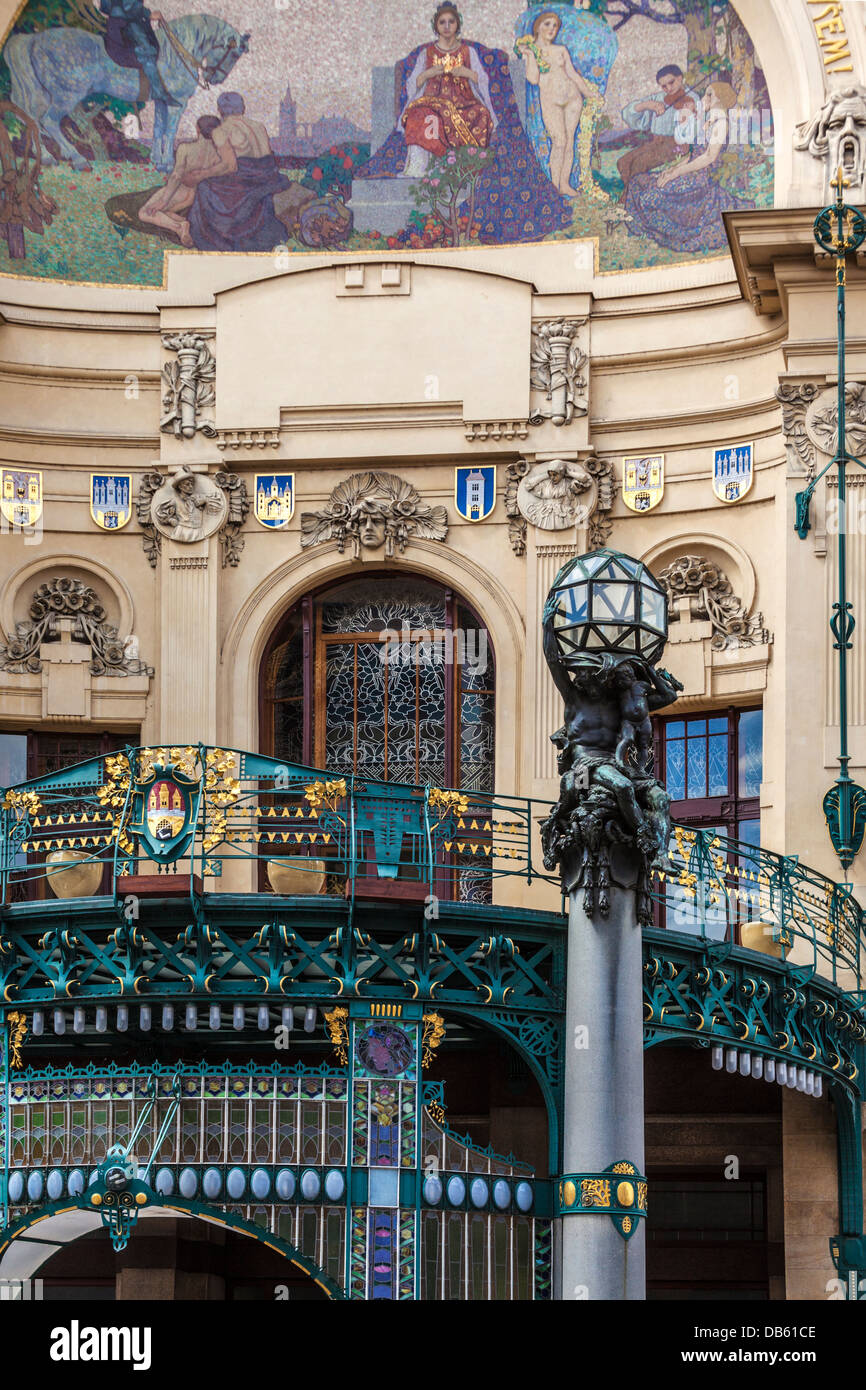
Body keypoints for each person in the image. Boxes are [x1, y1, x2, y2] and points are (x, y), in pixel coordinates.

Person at [624, 80, 754, 254]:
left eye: (710, 95)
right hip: (689, 170)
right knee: (638, 181)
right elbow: (693, 154)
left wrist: (676, 173)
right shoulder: (709, 122)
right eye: (706, 94)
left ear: (721, 99)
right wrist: (671, 170)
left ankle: (677, 234)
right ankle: (648, 228)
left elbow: (708, 157)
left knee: (650, 198)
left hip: (700, 178)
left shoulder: (722, 124)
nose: (704, 98)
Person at [399, 1, 496, 177]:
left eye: (451, 21)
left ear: (457, 24)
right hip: (431, 99)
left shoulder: (467, 51)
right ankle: (426, 167)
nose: (447, 26)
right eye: (442, 22)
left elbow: (482, 79)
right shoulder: (427, 53)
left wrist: (467, 72)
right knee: (419, 115)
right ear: (436, 26)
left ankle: (466, 167)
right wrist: (429, 73)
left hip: (464, 100)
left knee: (481, 113)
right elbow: (413, 82)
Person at [184, 92, 290, 252]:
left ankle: (211, 238)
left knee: (204, 187)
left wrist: (201, 174)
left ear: (220, 110)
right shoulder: (259, 126)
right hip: (267, 177)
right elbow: (266, 159)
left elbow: (230, 166)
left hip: (246, 181)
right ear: (243, 108)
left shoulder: (221, 130)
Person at [515, 11, 593, 197]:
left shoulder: (561, 50)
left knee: (569, 142)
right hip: (551, 101)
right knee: (558, 142)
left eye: (555, 25)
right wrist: (530, 55)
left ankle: (564, 184)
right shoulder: (529, 50)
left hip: (573, 98)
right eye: (547, 24)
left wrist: (589, 94)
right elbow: (533, 79)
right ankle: (553, 186)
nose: (551, 29)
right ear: (538, 27)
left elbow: (573, 74)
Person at [139, 115, 222, 245]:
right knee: (164, 212)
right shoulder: (219, 153)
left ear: (197, 129)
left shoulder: (186, 148)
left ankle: (179, 227)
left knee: (144, 212)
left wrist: (163, 200)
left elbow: (176, 176)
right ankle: (182, 224)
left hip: (181, 191)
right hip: (196, 195)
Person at [617, 64, 697, 193]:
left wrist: (688, 115)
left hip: (676, 145)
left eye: (672, 82)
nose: (669, 88)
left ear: (680, 78)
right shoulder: (658, 98)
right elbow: (627, 113)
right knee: (623, 162)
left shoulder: (692, 98)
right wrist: (646, 105)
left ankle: (629, 199)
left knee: (639, 164)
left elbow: (694, 130)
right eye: (664, 86)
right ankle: (633, 195)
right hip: (655, 143)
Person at [97, 0, 178, 109]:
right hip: (120, 33)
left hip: (130, 20)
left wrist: (148, 14)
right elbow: (122, 9)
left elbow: (136, 6)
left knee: (152, 44)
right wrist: (144, 15)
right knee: (147, 52)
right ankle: (159, 92)